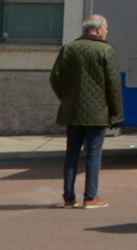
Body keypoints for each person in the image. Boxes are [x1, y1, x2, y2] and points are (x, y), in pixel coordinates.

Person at [50, 14, 123, 209]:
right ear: (98, 30)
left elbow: (55, 77)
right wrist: (116, 111)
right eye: (106, 28)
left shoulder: (69, 48)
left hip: (72, 110)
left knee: (72, 153)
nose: (107, 31)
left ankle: (68, 196)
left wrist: (66, 97)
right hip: (98, 112)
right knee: (93, 154)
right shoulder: (106, 50)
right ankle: (90, 197)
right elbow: (113, 83)